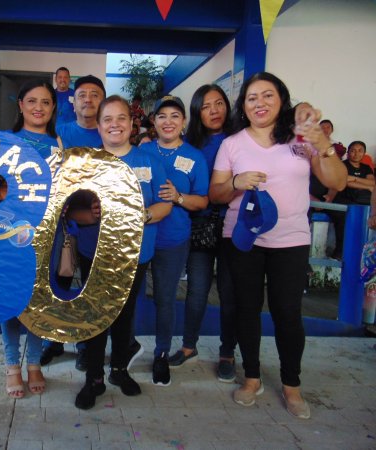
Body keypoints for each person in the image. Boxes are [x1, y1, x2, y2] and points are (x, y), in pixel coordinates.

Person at [209, 72, 346, 419]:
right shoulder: (233, 144)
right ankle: (252, 377)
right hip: (243, 239)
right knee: (246, 309)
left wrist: (323, 143)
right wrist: (236, 182)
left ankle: (291, 385)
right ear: (244, 105)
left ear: (281, 100)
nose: (260, 103)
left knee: (288, 314)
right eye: (252, 97)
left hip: (291, 240)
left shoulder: (301, 140)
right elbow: (216, 193)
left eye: (267, 96)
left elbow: (337, 181)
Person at [74, 95, 172, 409]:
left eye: (121, 118)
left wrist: (138, 214)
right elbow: (73, 212)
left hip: (135, 254)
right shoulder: (87, 163)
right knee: (95, 318)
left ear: (132, 124)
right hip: (95, 252)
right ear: (98, 127)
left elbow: (165, 203)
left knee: (123, 316)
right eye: (107, 119)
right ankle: (93, 378)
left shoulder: (149, 161)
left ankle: (118, 370)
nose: (114, 124)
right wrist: (93, 214)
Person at [139, 95, 209, 386]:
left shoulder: (195, 157)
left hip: (173, 239)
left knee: (165, 300)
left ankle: (160, 354)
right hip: (140, 236)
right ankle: (123, 350)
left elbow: (203, 201)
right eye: (162, 116)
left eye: (174, 116)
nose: (168, 121)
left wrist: (178, 198)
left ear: (183, 122)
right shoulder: (141, 151)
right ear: (154, 122)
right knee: (128, 298)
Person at [2, 80, 62, 398]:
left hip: (49, 233)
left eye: (46, 102)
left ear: (53, 108)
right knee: (11, 301)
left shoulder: (58, 143)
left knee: (39, 299)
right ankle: (13, 366)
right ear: (21, 105)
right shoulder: (8, 142)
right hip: (14, 232)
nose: (38, 107)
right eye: (32, 100)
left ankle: (35, 363)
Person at [42, 75, 106, 370]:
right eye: (82, 95)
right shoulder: (60, 132)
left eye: (95, 95)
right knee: (59, 281)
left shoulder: (109, 133)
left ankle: (85, 345)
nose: (88, 100)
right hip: (63, 221)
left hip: (96, 223)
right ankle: (53, 341)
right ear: (74, 100)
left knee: (90, 287)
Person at [181, 84, 237, 383]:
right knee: (197, 291)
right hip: (199, 226)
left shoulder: (240, 139)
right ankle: (189, 346)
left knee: (230, 294)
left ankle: (227, 353)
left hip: (232, 228)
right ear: (197, 111)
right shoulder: (189, 144)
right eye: (206, 106)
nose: (214, 110)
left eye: (219, 103)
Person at [327, 141, 374, 259]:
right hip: (342, 201)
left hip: (361, 202)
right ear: (348, 153)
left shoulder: (366, 168)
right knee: (343, 221)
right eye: (353, 150)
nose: (356, 153)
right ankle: (339, 253)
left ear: (364, 153)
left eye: (360, 151)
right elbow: (343, 182)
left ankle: (361, 255)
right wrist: (366, 186)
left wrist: (353, 178)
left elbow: (373, 183)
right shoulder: (342, 165)